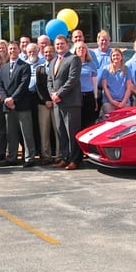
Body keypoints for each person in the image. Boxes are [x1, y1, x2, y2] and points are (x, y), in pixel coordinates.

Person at [48, 34, 82, 170]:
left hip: (70, 102)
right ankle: (64, 158)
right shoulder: (53, 61)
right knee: (61, 132)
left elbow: (72, 79)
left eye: (62, 44)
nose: (59, 46)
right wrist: (52, 94)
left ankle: (74, 160)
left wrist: (59, 94)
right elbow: (50, 81)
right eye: (57, 44)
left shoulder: (73, 59)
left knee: (71, 133)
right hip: (57, 103)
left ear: (67, 45)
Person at [0, 41, 34, 167]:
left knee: (26, 133)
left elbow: (23, 85)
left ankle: (29, 158)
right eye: (10, 49)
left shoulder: (25, 66)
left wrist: (13, 99)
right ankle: (11, 157)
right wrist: (6, 100)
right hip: (8, 107)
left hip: (21, 105)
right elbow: (0, 86)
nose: (12, 51)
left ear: (19, 50)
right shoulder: (3, 68)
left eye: (15, 48)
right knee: (11, 134)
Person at [35, 43, 56, 163]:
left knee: (58, 131)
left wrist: (54, 99)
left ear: (54, 53)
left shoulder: (59, 66)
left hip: (57, 102)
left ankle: (60, 155)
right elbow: (39, 87)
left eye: (50, 51)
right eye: (46, 52)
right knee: (44, 131)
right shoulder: (40, 68)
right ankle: (46, 155)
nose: (48, 54)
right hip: (43, 104)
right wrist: (46, 100)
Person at [75, 41, 100, 127]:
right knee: (78, 123)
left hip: (89, 96)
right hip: (76, 96)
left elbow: (94, 83)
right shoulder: (72, 64)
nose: (81, 49)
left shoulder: (91, 64)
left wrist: (95, 98)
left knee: (89, 122)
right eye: (79, 48)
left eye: (83, 48)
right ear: (75, 51)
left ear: (86, 50)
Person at [99, 48, 129, 114]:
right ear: (111, 58)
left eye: (118, 55)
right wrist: (111, 101)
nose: (116, 57)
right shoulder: (106, 69)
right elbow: (105, 87)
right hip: (109, 102)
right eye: (114, 55)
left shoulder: (127, 69)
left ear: (121, 57)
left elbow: (128, 87)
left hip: (124, 102)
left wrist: (123, 102)